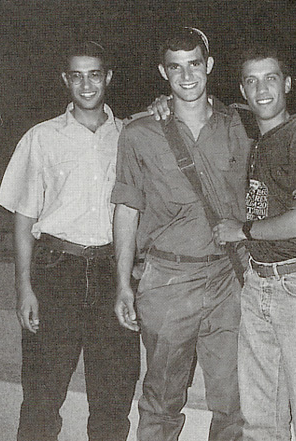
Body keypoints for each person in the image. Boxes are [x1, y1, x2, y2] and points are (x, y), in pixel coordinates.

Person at [0, 41, 140, 441]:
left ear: (108, 77)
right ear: (65, 80)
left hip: (113, 272)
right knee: (41, 398)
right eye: (77, 76)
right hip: (57, 271)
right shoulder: (41, 137)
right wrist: (24, 287)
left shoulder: (130, 136)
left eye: (94, 74)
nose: (86, 84)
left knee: (112, 402)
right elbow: (24, 216)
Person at [111, 27, 248, 441]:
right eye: (175, 68)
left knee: (235, 401)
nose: (186, 76)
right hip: (168, 280)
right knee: (162, 399)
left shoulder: (240, 125)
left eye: (194, 64)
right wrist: (123, 283)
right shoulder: (139, 133)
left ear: (209, 65)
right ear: (162, 72)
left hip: (227, 278)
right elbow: (126, 209)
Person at [214, 46, 296, 441]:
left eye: (270, 78)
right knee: (260, 419)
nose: (261, 89)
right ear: (243, 90)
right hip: (259, 283)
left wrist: (243, 230)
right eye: (251, 81)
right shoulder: (259, 142)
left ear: (287, 84)